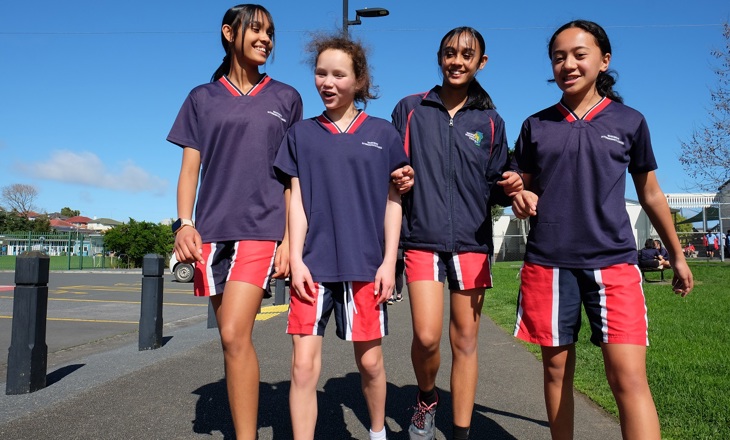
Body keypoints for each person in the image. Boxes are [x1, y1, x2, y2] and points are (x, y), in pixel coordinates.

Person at [511, 20, 694, 440]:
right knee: (556, 373)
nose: (568, 64)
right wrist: (520, 195)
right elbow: (522, 188)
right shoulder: (535, 125)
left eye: (579, 54)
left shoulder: (630, 121)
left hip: (613, 265)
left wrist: (678, 256)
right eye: (559, 57)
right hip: (548, 264)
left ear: (603, 60)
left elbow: (650, 194)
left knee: (627, 379)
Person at [167, 5, 302, 439]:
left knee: (232, 332)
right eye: (256, 30)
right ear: (229, 33)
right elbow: (190, 170)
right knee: (231, 342)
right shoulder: (201, 98)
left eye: (271, 33)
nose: (266, 39)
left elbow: (293, 178)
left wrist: (288, 240)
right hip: (209, 234)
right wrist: (183, 224)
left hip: (262, 230)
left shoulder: (286, 98)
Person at [274, 35, 408, 440]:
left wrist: (389, 262)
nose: (327, 82)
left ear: (359, 79)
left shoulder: (383, 134)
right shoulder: (301, 135)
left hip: (366, 266)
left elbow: (393, 203)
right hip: (312, 268)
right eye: (320, 73)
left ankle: (377, 431)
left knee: (370, 364)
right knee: (302, 367)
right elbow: (295, 201)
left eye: (338, 74)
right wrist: (296, 258)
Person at [391, 26, 522, 440]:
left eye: (467, 55)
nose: (457, 61)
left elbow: (499, 179)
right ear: (439, 57)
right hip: (422, 238)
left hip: (471, 242)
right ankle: (427, 398)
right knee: (427, 337)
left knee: (465, 340)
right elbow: (389, 169)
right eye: (449, 53)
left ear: (481, 63)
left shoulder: (491, 121)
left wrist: (514, 181)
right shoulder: (410, 109)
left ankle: (461, 432)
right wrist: (397, 177)